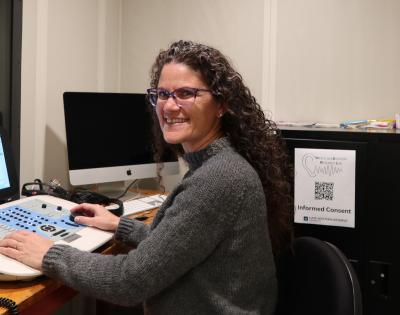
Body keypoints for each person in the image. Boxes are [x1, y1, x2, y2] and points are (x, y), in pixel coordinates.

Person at [0, 40, 293, 314]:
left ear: (221, 104)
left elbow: (130, 281)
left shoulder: (218, 179)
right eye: (162, 94)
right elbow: (179, 245)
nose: (168, 106)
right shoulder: (220, 165)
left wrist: (49, 254)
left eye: (186, 93)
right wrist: (121, 226)